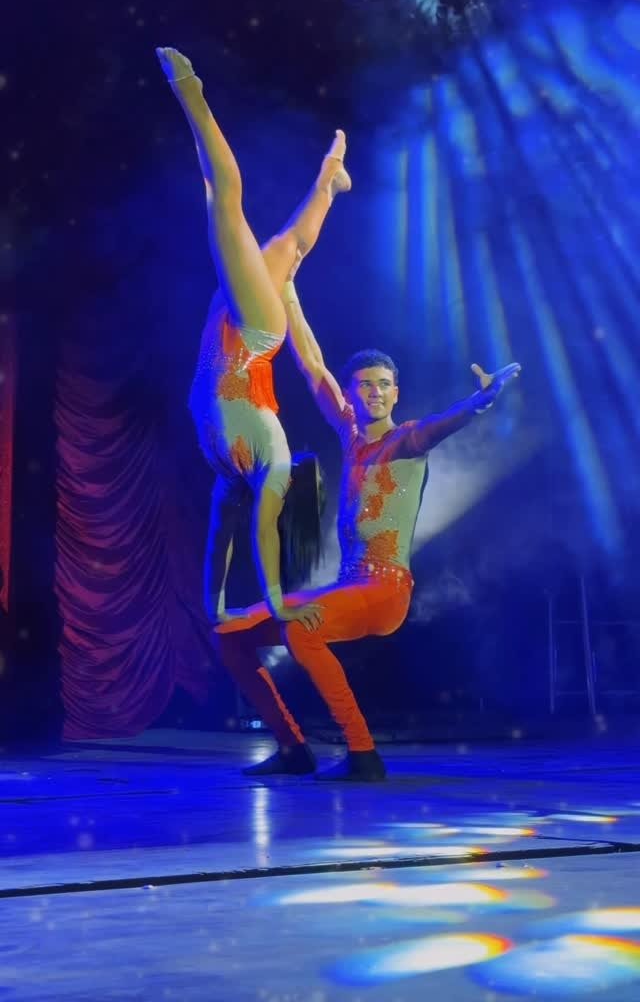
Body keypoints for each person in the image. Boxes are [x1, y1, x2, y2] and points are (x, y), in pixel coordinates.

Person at [213, 262, 521, 781]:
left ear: (396, 393)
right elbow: (313, 366)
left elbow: (440, 427)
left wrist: (478, 404)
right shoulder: (351, 437)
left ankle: (363, 754)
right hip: (347, 586)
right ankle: (292, 749)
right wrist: (288, 293)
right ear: (352, 393)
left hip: (384, 592)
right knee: (231, 634)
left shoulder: (405, 441)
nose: (374, 392)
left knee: (302, 631)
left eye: (383, 385)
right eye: (364, 385)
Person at [155, 47, 351, 628]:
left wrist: (214, 608)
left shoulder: (228, 476)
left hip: (230, 328)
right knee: (225, 202)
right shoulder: (276, 463)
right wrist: (277, 603)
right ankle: (190, 91)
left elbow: (221, 539)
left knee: (289, 248)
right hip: (254, 331)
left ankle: (330, 179)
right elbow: (263, 532)